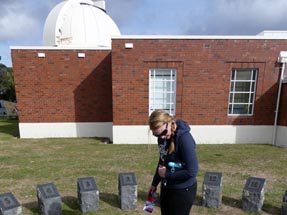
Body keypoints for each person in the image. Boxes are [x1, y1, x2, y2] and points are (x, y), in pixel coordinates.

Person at [148, 109, 198, 215]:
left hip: (183, 190)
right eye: (157, 135)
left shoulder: (184, 139)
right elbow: (162, 160)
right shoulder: (163, 138)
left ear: (169, 123)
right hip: (167, 188)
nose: (161, 137)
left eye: (163, 132)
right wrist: (154, 183)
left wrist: (167, 174)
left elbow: (192, 171)